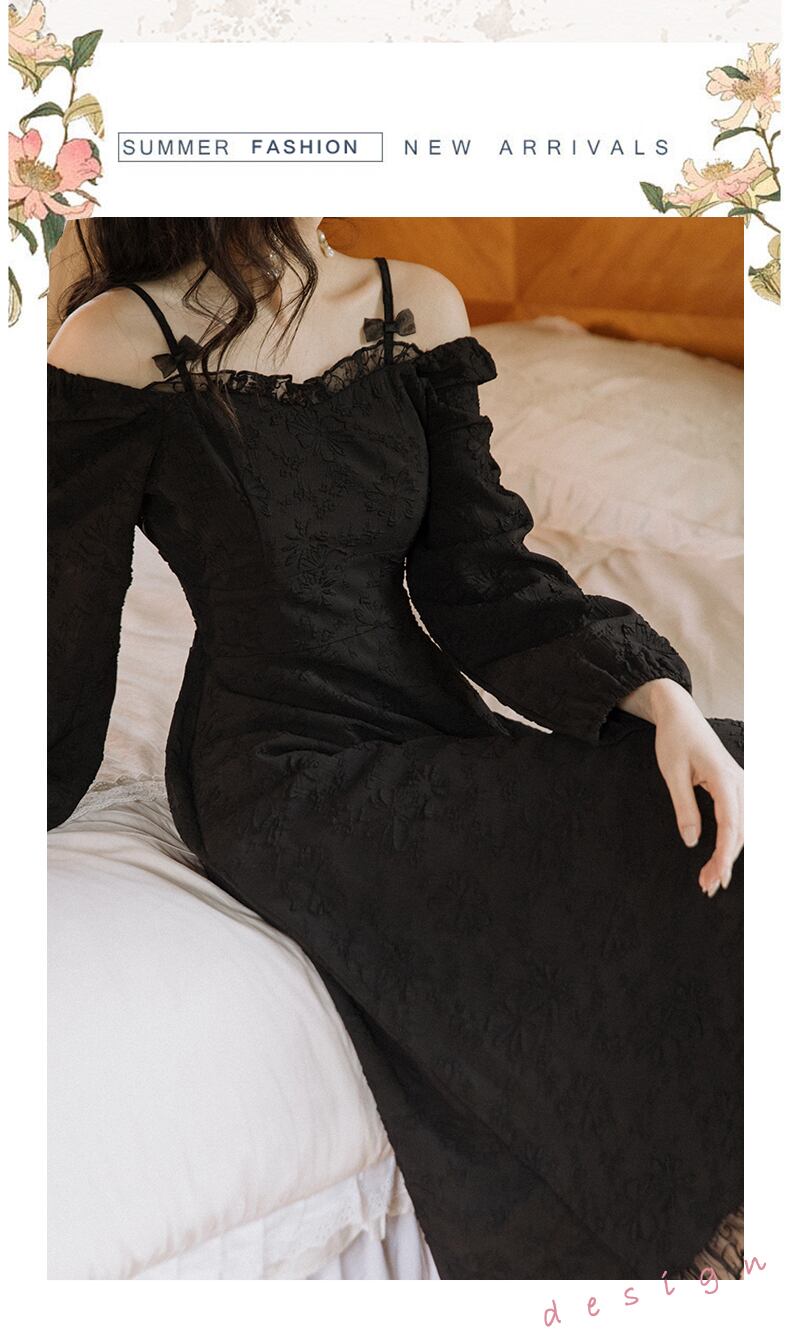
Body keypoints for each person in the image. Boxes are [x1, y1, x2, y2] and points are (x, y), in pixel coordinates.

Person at [47, 217, 744, 1280]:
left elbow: (483, 578)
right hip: (274, 767)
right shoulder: (113, 339)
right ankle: (681, 1227)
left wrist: (662, 700)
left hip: (426, 720)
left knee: (741, 777)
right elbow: (63, 625)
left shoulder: (415, 303)